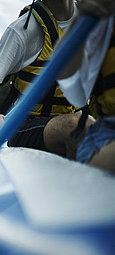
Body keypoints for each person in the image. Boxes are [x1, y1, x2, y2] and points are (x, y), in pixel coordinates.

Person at [0, 0, 93, 159]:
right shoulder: (21, 30)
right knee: (79, 126)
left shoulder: (93, 17)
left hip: (79, 116)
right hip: (26, 126)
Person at [58, 0, 115, 173]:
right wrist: (80, 21)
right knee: (73, 123)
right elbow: (75, 94)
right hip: (107, 134)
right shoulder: (104, 12)